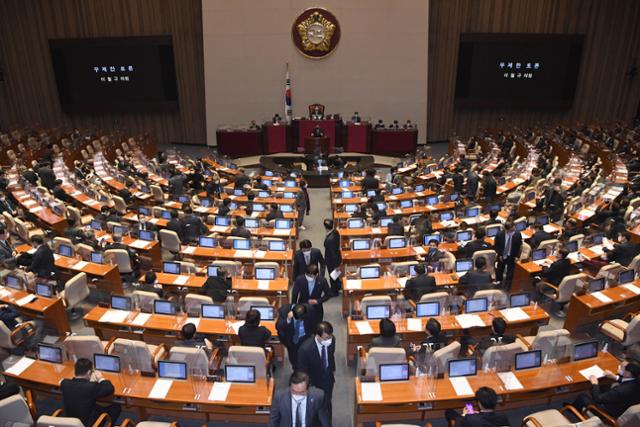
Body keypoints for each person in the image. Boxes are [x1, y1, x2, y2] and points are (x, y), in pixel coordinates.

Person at [60, 358, 121, 426]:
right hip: (87, 424)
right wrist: (100, 378)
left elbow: (65, 382)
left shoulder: (64, 383)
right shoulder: (91, 387)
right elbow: (109, 388)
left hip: (67, 422)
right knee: (116, 407)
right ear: (89, 372)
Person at [572, 359, 640, 418]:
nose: (619, 367)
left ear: (628, 373)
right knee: (604, 387)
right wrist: (615, 377)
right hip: (622, 405)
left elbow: (598, 399)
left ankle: (573, 410)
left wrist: (594, 383)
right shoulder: (636, 380)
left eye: (621, 367)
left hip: (608, 411)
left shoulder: (620, 390)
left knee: (582, 397)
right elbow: (627, 381)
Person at [297, 322, 336, 416]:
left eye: (330, 337)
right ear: (317, 336)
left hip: (328, 379)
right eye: (326, 338)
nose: (329, 340)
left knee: (326, 404)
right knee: (314, 409)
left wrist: (332, 370)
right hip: (313, 383)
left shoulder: (332, 340)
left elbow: (331, 356)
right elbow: (302, 372)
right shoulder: (305, 350)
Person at [445, 386, 509, 427]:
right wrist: (478, 414)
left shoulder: (469, 419)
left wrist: (464, 415)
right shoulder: (503, 417)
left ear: (479, 403)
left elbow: (457, 425)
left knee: (449, 412)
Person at [277, 303, 315, 368]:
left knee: (307, 357)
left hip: (305, 337)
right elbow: (278, 326)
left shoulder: (309, 309)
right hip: (291, 339)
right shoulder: (283, 311)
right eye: (299, 319)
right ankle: (296, 370)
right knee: (294, 360)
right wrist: (288, 320)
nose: (301, 321)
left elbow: (313, 322)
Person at [494, 220, 522, 289]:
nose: (513, 232)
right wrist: (500, 254)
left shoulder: (517, 234)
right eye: (511, 231)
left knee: (510, 273)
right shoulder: (499, 234)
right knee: (499, 271)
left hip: (512, 256)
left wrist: (517, 256)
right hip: (502, 255)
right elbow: (496, 246)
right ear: (506, 229)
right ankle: (498, 283)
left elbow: (519, 246)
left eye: (514, 229)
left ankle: (508, 285)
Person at [323, 219, 342, 295]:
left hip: (332, 260)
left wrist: (336, 265)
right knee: (335, 275)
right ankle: (337, 286)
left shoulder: (330, 240)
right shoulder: (336, 232)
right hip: (336, 257)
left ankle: (334, 291)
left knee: (332, 276)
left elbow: (332, 253)